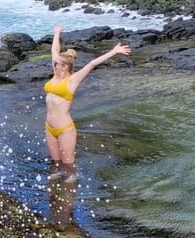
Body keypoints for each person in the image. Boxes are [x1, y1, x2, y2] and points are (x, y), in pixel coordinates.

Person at [44, 24, 131, 166]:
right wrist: (56, 33)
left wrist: (114, 51)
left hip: (65, 129)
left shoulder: (72, 80)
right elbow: (54, 50)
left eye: (57, 63)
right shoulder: (55, 75)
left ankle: (69, 187)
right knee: (55, 164)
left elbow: (92, 64)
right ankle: (54, 188)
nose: (54, 63)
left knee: (68, 168)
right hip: (49, 127)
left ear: (65, 66)